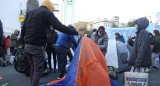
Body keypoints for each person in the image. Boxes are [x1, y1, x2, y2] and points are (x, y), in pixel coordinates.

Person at [21, 0, 83, 86]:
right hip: (37, 46)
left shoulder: (30, 13)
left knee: (32, 68)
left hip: (27, 45)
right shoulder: (47, 13)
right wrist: (76, 32)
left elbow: (23, 29)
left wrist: (22, 43)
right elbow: (60, 27)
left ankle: (32, 84)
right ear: (49, 7)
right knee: (38, 69)